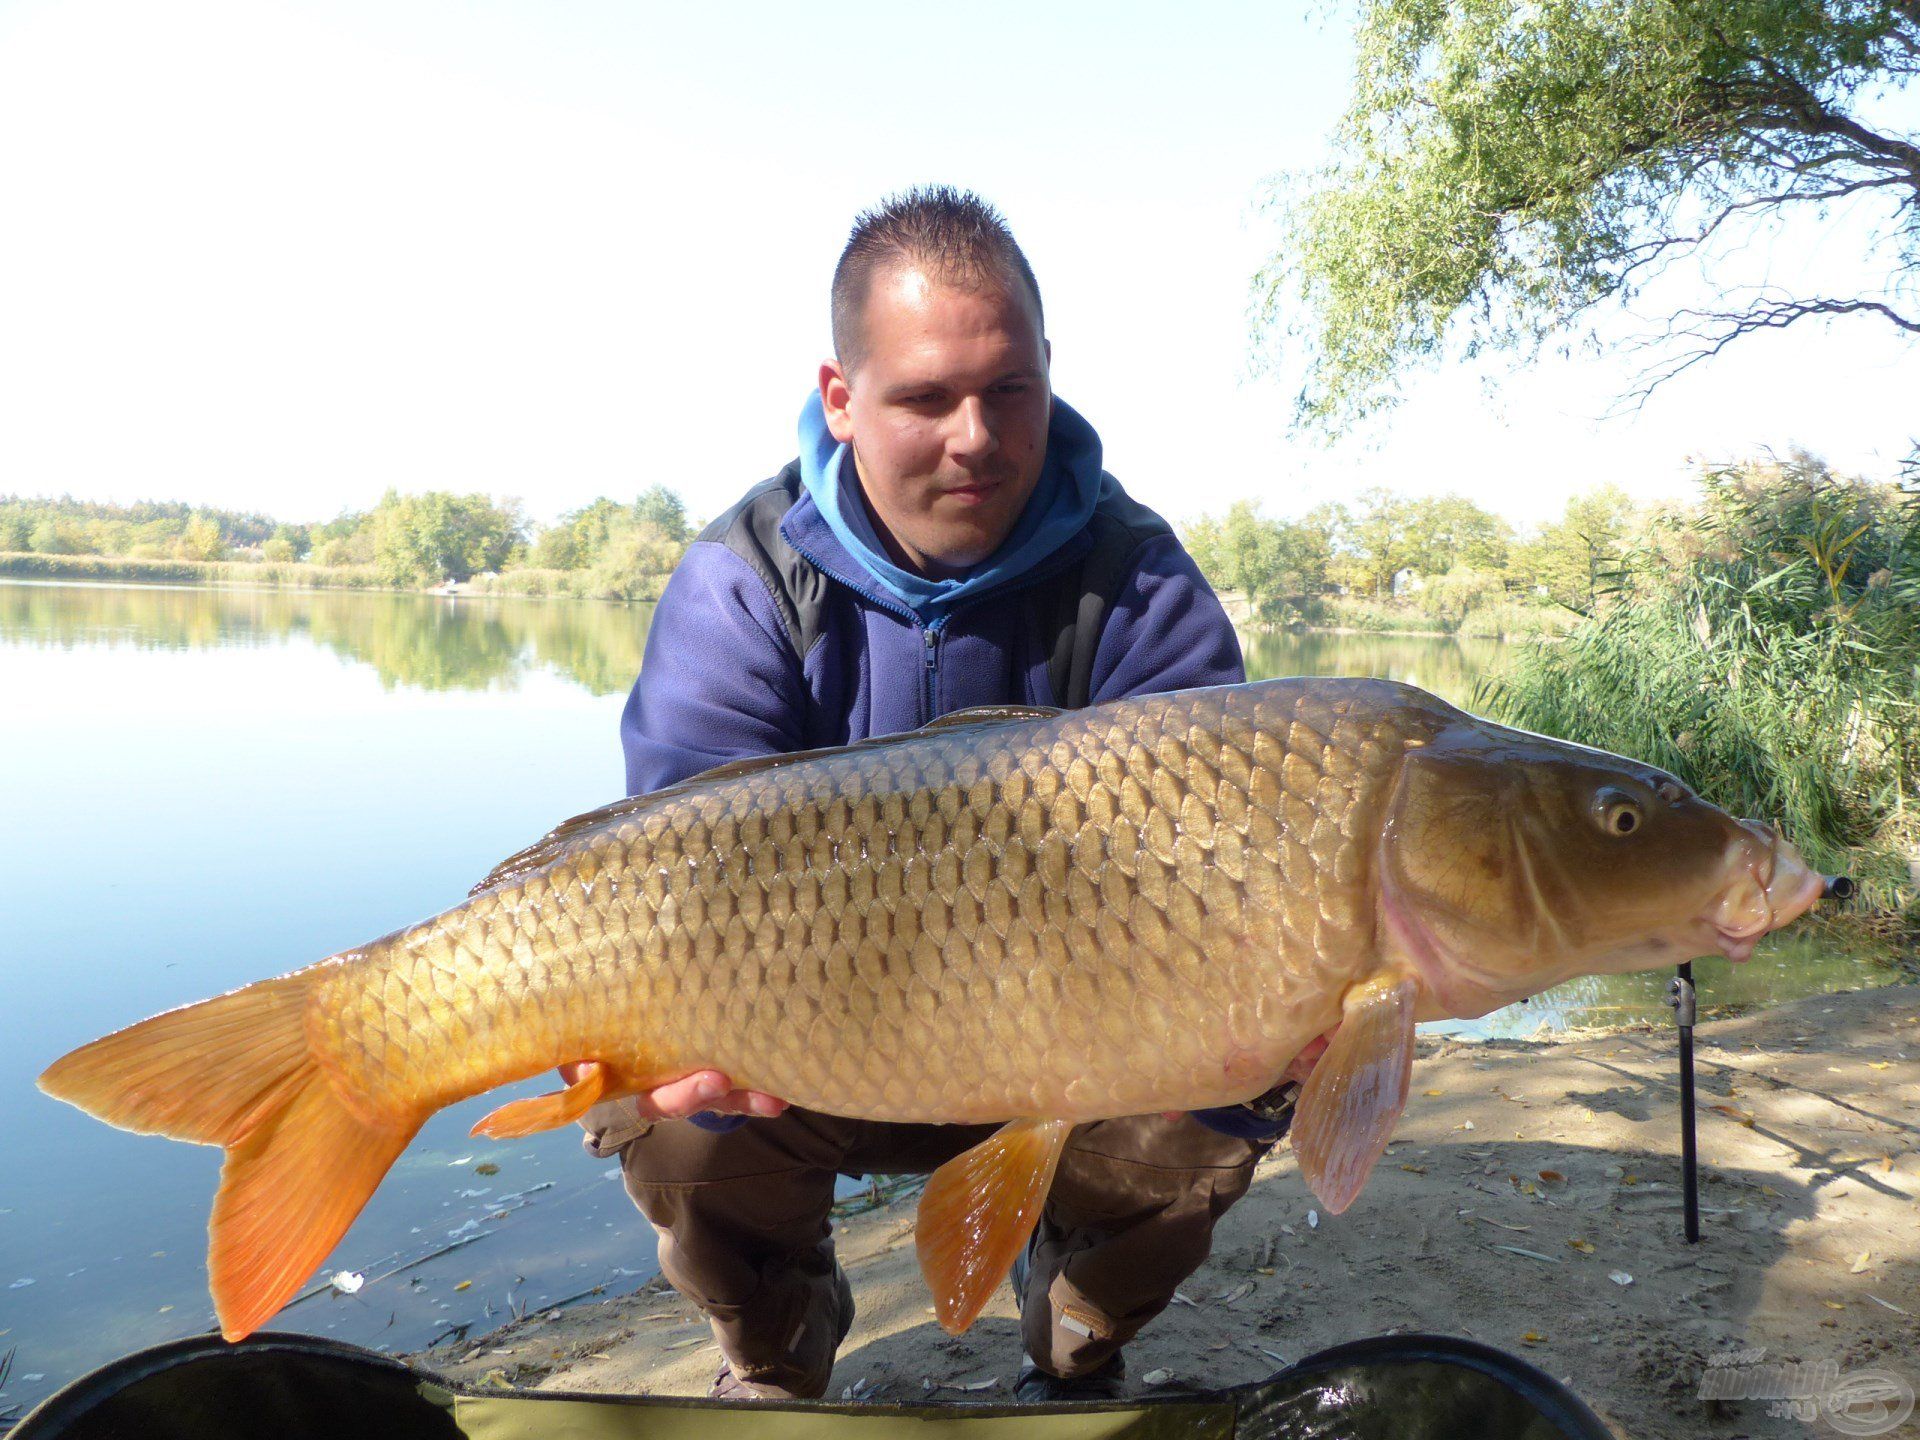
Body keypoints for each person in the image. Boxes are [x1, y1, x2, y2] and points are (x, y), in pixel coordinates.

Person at [574, 185, 1303, 1404]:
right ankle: (776, 1349)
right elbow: (681, 869)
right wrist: (658, 1031)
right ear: (841, 398)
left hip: (1072, 1048)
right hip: (810, 1047)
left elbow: (1214, 877)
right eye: (925, 397)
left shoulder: (1137, 585)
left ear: (1048, 378)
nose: (977, 435)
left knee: (1248, 1063)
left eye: (1008, 390)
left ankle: (1075, 1323)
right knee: (664, 1105)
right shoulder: (743, 584)